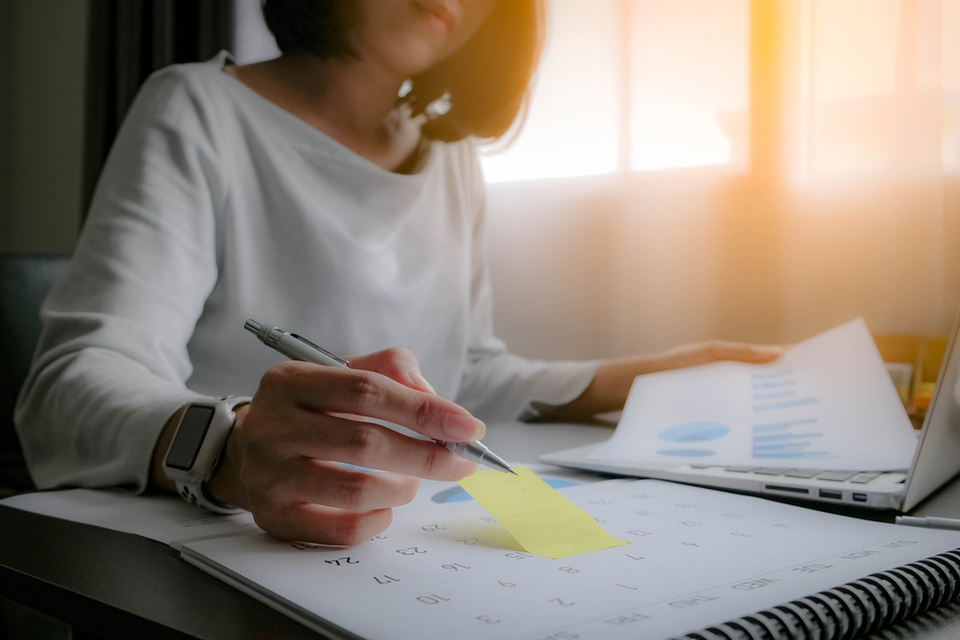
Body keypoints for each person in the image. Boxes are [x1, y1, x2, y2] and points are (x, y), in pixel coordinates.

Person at [15, 0, 781, 545]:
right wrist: (229, 450)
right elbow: (67, 389)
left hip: (406, 535)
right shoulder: (198, 108)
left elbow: (466, 374)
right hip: (222, 555)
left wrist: (631, 376)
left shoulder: (452, 160)